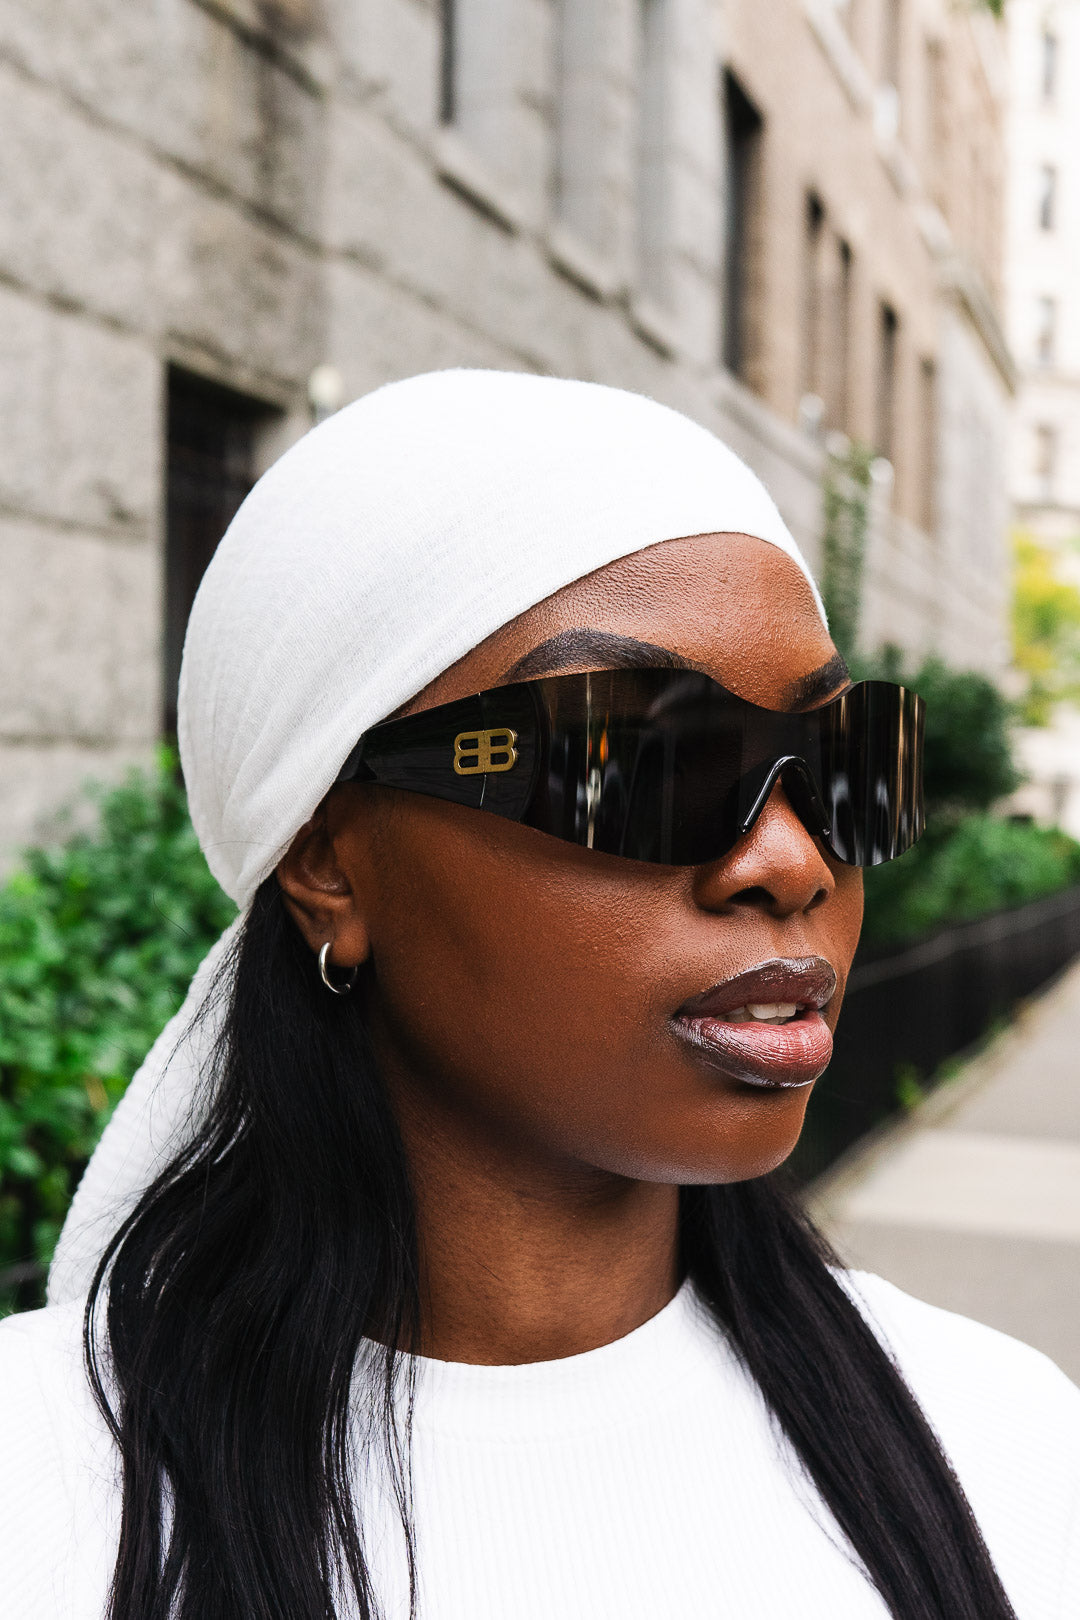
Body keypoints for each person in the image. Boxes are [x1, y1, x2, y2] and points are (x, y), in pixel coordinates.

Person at [1, 371, 1076, 1620]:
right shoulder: (46, 1505)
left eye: (845, 766)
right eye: (637, 758)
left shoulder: (1008, 1451)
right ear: (327, 857)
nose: (790, 861)